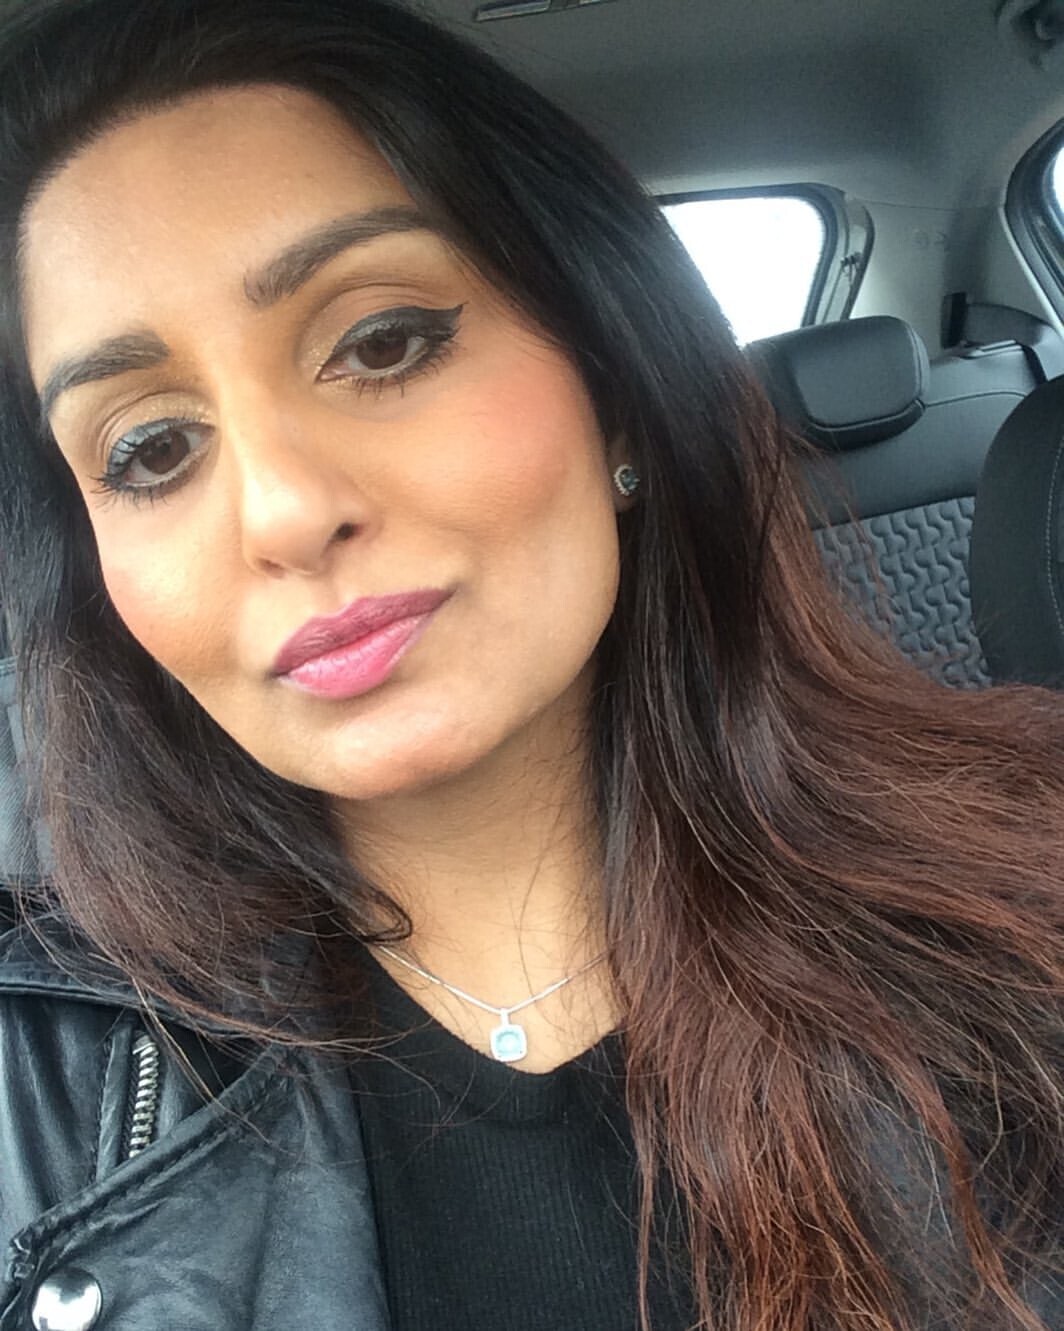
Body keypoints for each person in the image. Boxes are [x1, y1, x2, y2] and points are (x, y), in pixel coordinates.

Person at [0, 0, 1059, 1328]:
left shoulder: (1030, 893)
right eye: (150, 450)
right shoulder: (39, 1086)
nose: (283, 511)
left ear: (614, 384)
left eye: (382, 343)